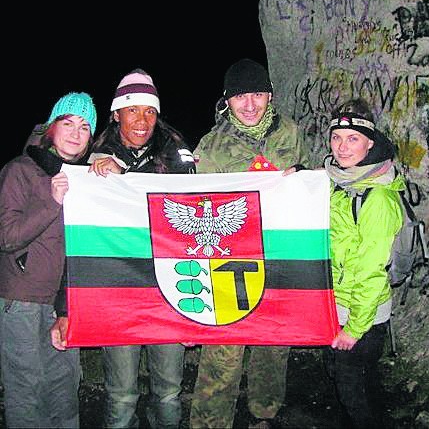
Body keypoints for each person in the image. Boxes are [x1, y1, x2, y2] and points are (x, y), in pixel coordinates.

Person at [61, 68, 196, 429]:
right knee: (121, 392)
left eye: (149, 111)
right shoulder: (91, 152)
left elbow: (192, 218)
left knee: (168, 390)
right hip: (117, 290)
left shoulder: (177, 153)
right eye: (133, 110)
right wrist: (91, 169)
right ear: (116, 113)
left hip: (171, 289)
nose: (142, 120)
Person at [189, 58, 309, 429]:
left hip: (278, 256)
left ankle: (265, 413)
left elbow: (306, 185)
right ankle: (210, 422)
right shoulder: (211, 146)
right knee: (223, 353)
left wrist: (302, 177)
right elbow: (197, 211)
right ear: (227, 100)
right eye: (241, 96)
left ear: (269, 94)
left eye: (258, 94)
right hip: (229, 262)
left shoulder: (290, 132)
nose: (251, 104)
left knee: (273, 345)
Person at [0, 91, 97, 428]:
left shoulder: (86, 180)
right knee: (26, 391)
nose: (75, 132)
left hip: (63, 303)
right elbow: (7, 237)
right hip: (22, 299)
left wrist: (68, 307)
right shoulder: (19, 171)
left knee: (65, 388)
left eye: (85, 127)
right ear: (52, 127)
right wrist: (52, 202)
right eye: (68, 122)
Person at [322, 98, 405, 429]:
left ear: (370, 143)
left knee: (352, 390)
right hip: (338, 304)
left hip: (363, 314)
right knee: (357, 385)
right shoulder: (341, 181)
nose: (342, 148)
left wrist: (355, 328)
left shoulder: (376, 198)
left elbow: (372, 270)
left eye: (352, 139)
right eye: (336, 137)